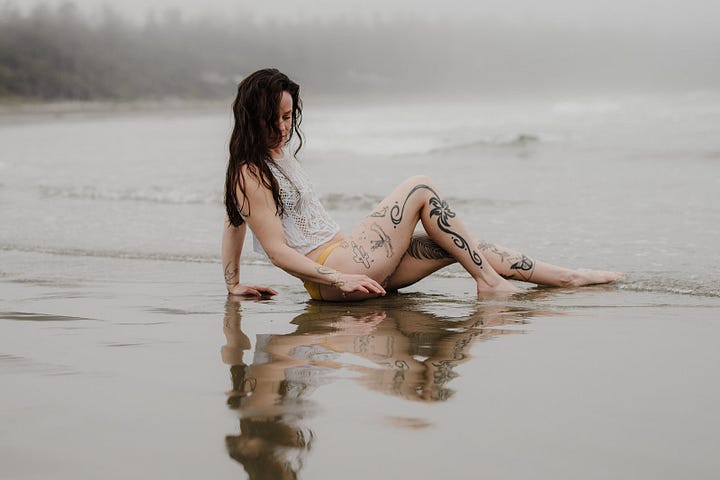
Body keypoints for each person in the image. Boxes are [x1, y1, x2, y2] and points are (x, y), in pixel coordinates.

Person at [222, 68, 622, 301]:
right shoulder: (251, 171)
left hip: (348, 274)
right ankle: (489, 284)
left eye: (288, 116)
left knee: (456, 244)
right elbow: (276, 251)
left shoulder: (270, 159)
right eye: (272, 119)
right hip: (335, 272)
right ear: (250, 117)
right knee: (420, 187)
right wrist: (340, 278)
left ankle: (569, 277)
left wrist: (233, 283)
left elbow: (233, 220)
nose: (282, 126)